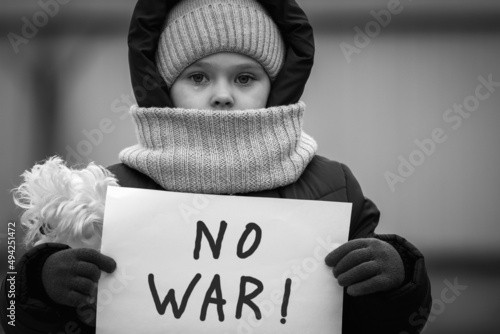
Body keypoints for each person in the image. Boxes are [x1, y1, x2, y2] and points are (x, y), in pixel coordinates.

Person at [1, 0, 432, 333]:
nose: (222, 95)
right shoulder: (106, 191)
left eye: (245, 77)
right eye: (198, 77)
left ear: (276, 85)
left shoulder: (334, 185)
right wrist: (41, 283)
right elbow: (14, 313)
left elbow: (380, 324)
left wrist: (396, 281)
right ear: (165, 89)